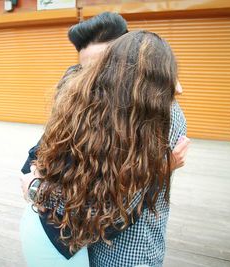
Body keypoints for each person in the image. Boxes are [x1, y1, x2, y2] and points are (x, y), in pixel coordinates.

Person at [20, 30, 189, 267]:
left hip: (128, 252)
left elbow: (112, 210)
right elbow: (36, 159)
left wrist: (37, 189)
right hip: (78, 244)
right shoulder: (91, 107)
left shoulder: (163, 118)